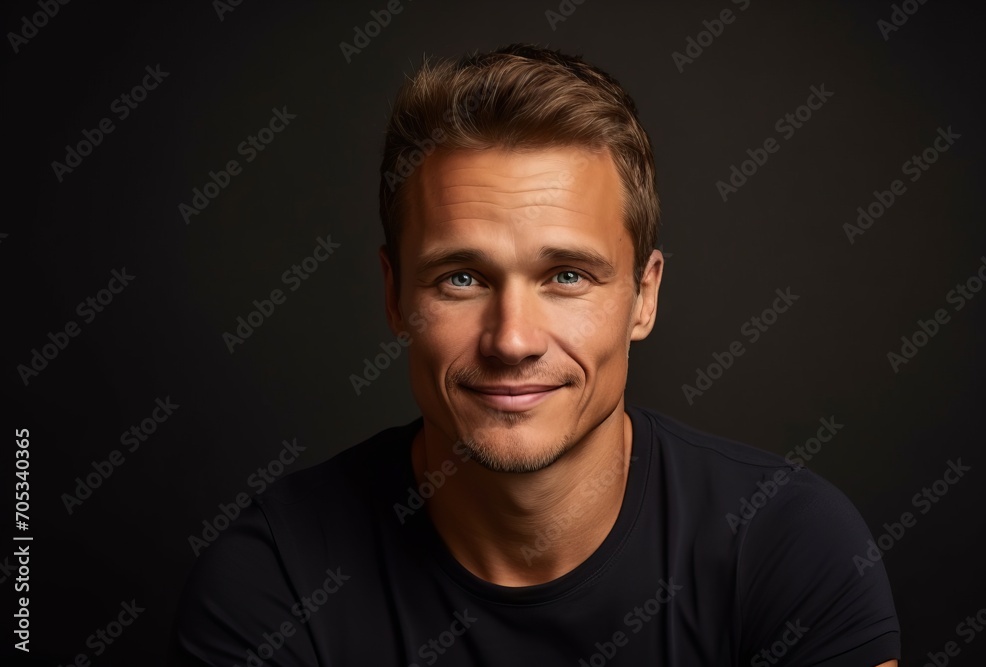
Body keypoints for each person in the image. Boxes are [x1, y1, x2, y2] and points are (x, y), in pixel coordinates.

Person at [173, 43, 900, 666]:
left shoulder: (787, 546)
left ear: (644, 297)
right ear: (395, 296)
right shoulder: (276, 575)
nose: (513, 340)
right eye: (462, 277)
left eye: (567, 276)